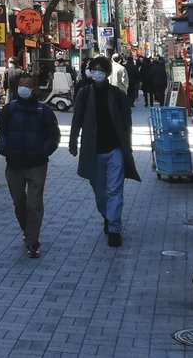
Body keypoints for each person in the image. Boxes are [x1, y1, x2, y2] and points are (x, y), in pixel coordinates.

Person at [68, 55, 140, 247]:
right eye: (95, 69)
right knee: (99, 190)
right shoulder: (83, 93)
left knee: (115, 189)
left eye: (101, 69)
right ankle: (108, 216)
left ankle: (115, 227)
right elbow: (77, 119)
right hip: (93, 150)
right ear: (90, 71)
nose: (98, 72)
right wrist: (73, 141)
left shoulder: (118, 94)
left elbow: (127, 122)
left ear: (108, 72)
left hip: (115, 148)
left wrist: (128, 145)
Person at [0, 72, 60, 258]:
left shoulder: (44, 111)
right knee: (19, 203)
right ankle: (27, 231)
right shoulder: (9, 109)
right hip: (14, 163)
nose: (23, 87)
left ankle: (32, 240)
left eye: (27, 84)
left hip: (36, 164)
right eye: (21, 84)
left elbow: (54, 136)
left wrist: (44, 150)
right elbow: (1, 131)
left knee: (34, 203)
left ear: (34, 89)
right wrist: (4, 148)